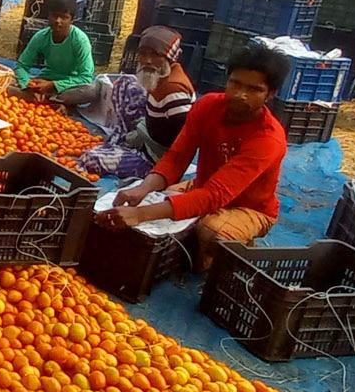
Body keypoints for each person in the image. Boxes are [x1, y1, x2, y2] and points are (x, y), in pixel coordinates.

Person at [101, 42, 291, 266]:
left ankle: (225, 256)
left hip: (249, 207)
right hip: (204, 186)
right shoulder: (208, 106)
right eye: (235, 83)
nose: (240, 95)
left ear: (270, 94)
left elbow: (215, 195)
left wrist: (140, 214)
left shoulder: (268, 138)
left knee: (211, 231)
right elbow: (177, 157)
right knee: (162, 195)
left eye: (254, 89)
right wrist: (143, 188)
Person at [77, 26, 196, 178]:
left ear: (170, 57)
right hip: (148, 132)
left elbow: (186, 140)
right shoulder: (161, 77)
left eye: (155, 55)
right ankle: (123, 141)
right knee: (126, 82)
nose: (147, 61)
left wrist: (164, 173)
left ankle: (135, 157)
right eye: (143, 54)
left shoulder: (175, 91)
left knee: (90, 159)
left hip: (156, 157)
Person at [10, 0, 96, 105]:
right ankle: (48, 100)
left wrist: (53, 85)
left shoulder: (80, 40)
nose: (57, 21)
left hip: (69, 85)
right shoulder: (41, 36)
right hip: (45, 79)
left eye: (64, 17)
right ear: (48, 16)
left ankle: (46, 100)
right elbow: (21, 65)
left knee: (91, 91)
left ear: (71, 20)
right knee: (7, 79)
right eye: (54, 16)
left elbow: (86, 77)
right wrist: (28, 85)